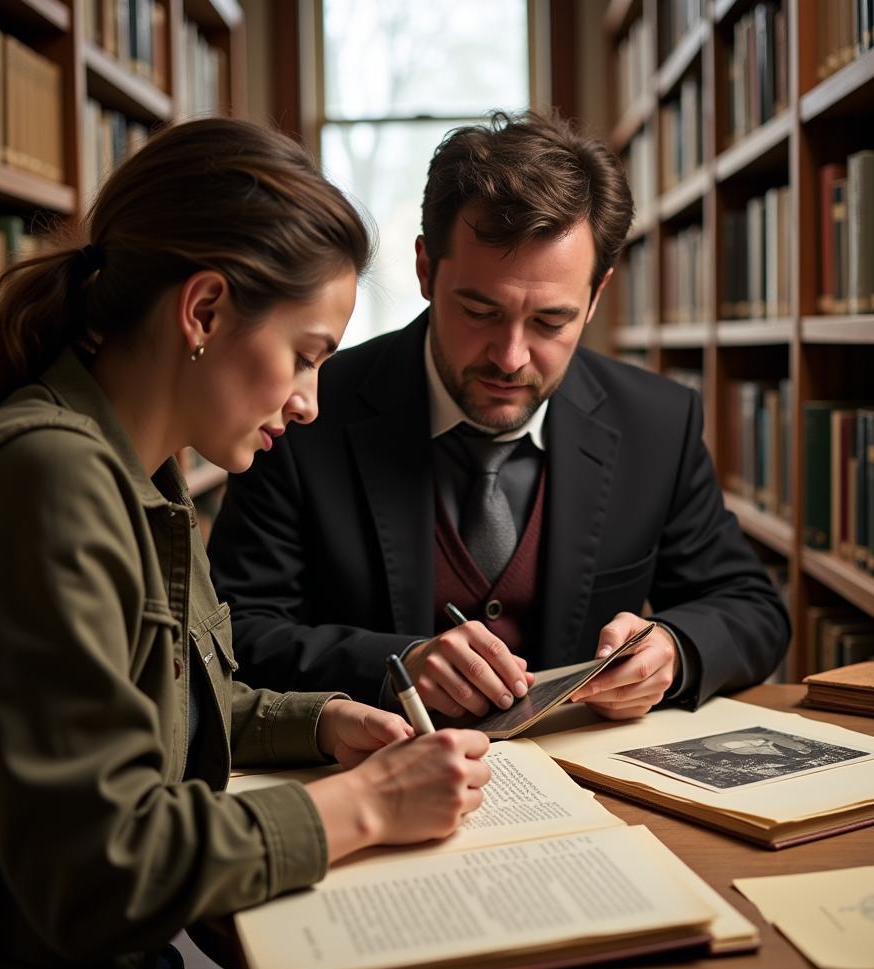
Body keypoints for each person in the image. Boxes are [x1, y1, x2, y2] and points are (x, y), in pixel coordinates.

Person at [0, 118, 490, 969]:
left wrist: (327, 723)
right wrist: (368, 805)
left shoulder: (140, 472)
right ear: (205, 310)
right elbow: (99, 866)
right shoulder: (46, 481)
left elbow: (164, 708)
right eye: (305, 355)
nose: (308, 402)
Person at [207, 111, 790, 722]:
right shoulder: (303, 415)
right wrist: (397, 664)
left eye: (550, 321)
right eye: (480, 312)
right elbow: (235, 631)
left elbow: (751, 608)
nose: (510, 358)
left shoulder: (657, 422)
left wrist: (674, 650)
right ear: (426, 270)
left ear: (596, 296)